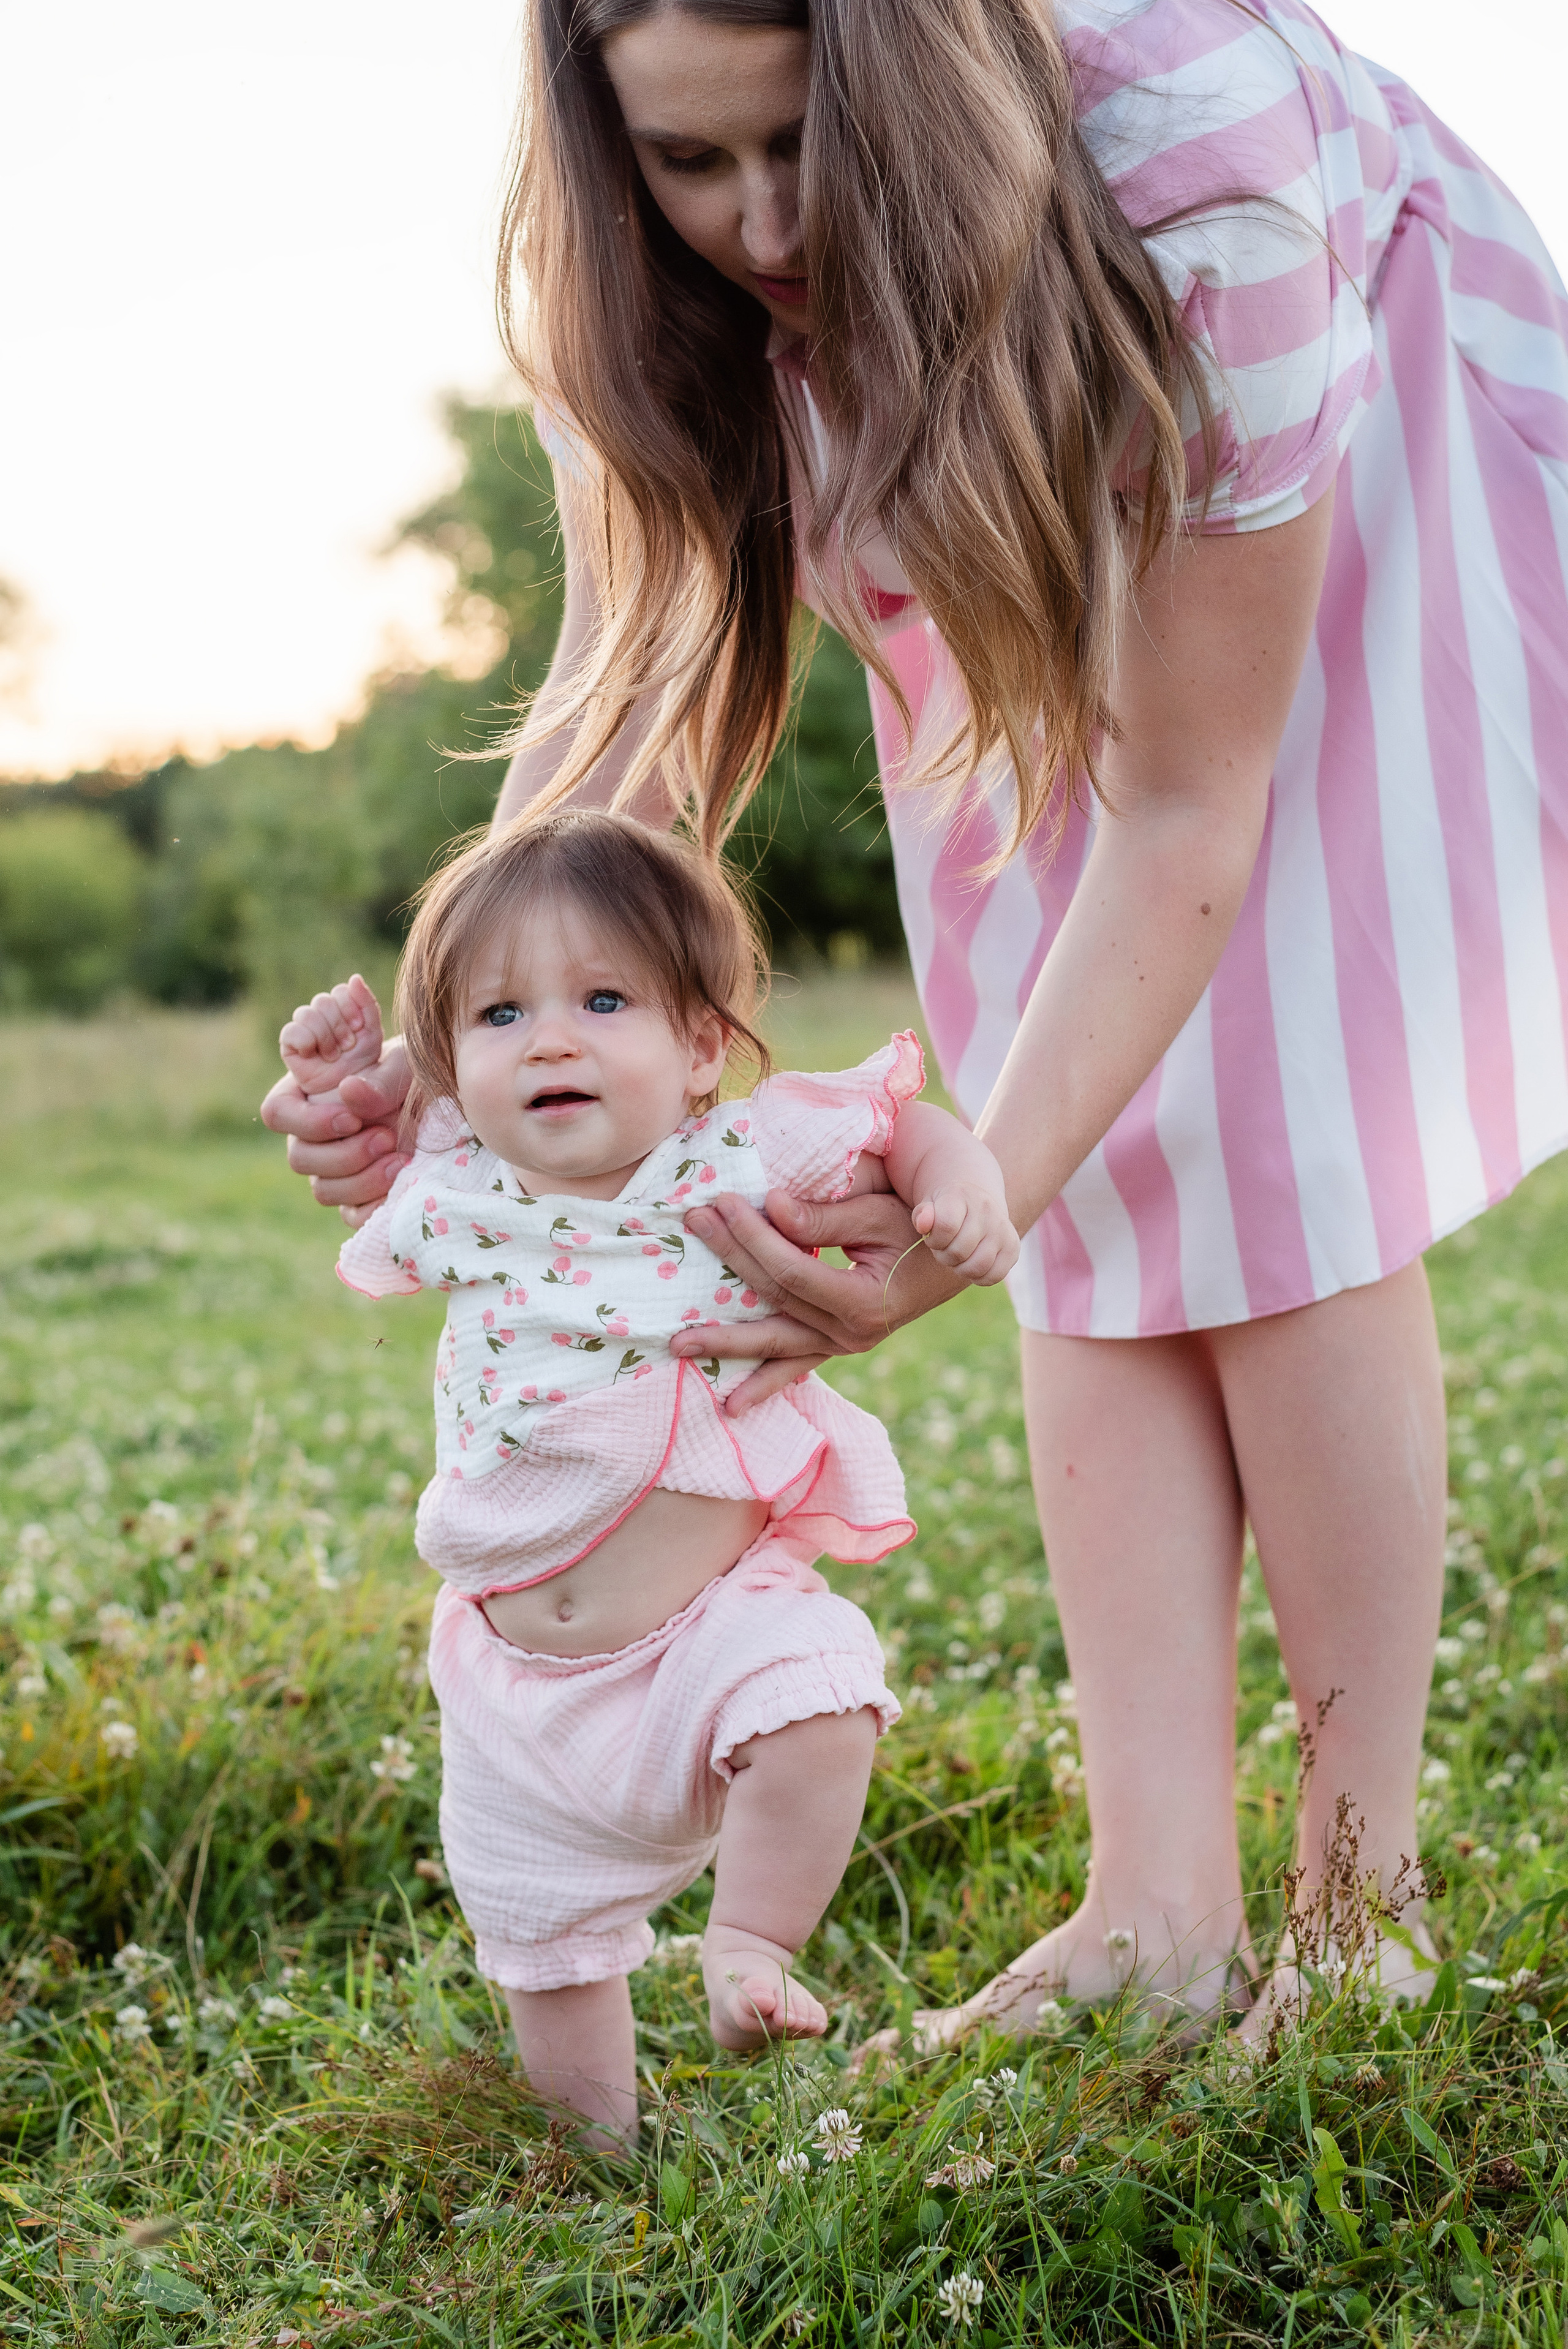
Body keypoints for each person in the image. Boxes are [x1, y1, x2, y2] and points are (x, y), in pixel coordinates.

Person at [263, 0, 1568, 2043]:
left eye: (802, 140)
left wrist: (973, 1205)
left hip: (1312, 404)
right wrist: (461, 1053)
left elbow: (1188, 803)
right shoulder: (640, 284)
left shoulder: (1196, 154)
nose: (764, 222)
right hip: (972, 375)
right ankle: (1158, 1909)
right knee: (1061, 1063)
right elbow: (635, 694)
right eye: (690, 162)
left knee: (1267, 1086)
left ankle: (1358, 1902)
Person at [279, 808, 1017, 2139]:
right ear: (449, 1069)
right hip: (513, 1689)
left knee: (820, 1691)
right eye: (500, 1015)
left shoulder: (730, 1155)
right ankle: (594, 2150)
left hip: (704, 1637)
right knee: (538, 1934)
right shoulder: (458, 1180)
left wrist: (961, 1180)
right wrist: (331, 1080)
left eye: (603, 1000)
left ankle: (751, 1946)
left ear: (700, 1048)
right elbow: (353, 1136)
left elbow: (900, 1128)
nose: (549, 1040)